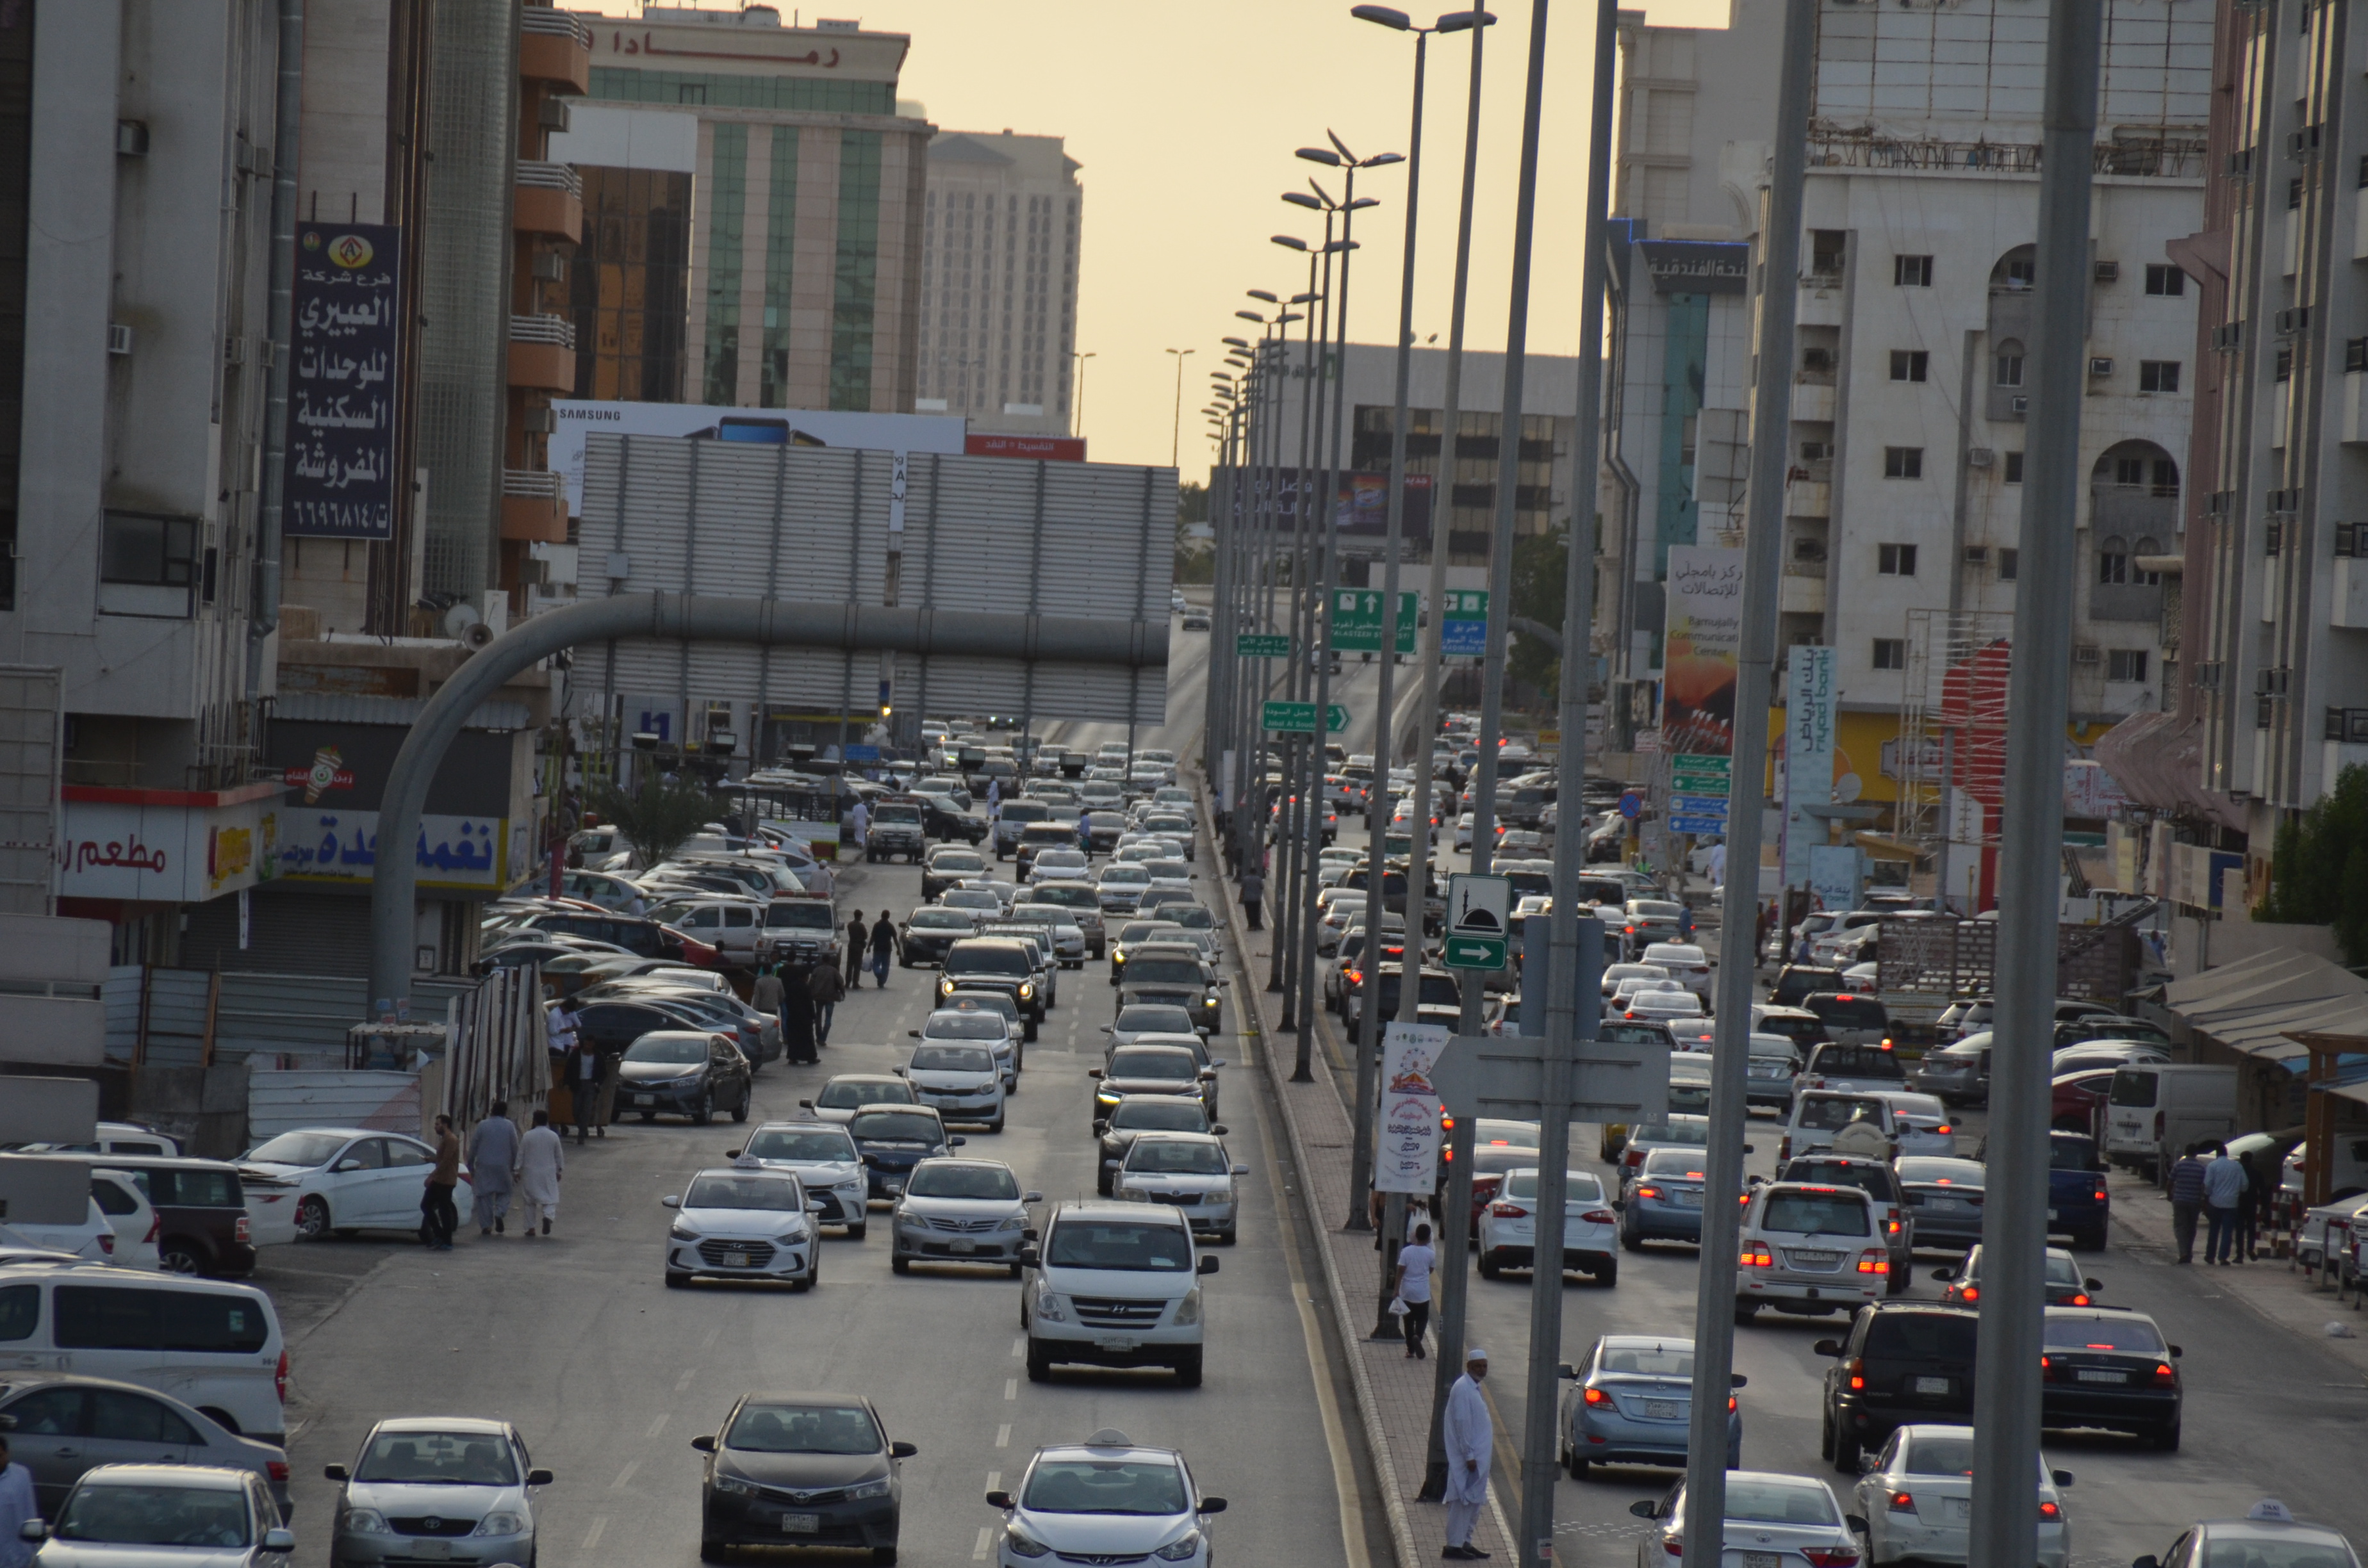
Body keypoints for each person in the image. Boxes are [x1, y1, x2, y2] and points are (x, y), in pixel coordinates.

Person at [1442, 1347, 1494, 1559]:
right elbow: (1462, 1424)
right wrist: (1469, 1455)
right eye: (1478, 1366)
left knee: (1474, 1503)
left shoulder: (1474, 1387)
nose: (1482, 1370)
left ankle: (1465, 1541)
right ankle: (1453, 1545)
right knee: (1463, 1503)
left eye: (1484, 1366)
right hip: (1468, 1460)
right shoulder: (1463, 1388)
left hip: (1478, 1460)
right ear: (1469, 1367)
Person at [467, 1102, 520, 1236]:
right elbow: (515, 1147)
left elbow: (473, 1146)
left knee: (483, 1195)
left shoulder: (482, 1125)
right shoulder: (509, 1126)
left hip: (484, 1165)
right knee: (506, 1191)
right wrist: (516, 1167)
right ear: (505, 1112)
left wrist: (470, 1163)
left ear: (492, 1111)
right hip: (504, 1166)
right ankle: (499, 1212)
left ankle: (486, 1226)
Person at [514, 1109, 565, 1237]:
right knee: (550, 1198)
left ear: (535, 1121)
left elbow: (521, 1154)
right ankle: (548, 1217)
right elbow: (559, 1156)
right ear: (547, 1121)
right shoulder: (553, 1136)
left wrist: (516, 1170)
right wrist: (559, 1170)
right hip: (548, 1172)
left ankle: (530, 1228)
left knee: (530, 1201)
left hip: (530, 1173)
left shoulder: (528, 1136)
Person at [1394, 1221, 1437, 1360]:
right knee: (1422, 1319)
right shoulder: (1430, 1254)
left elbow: (1400, 1271)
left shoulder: (1406, 1251)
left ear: (1415, 1236)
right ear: (1429, 1238)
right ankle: (1418, 1335)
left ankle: (1410, 1350)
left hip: (1407, 1292)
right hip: (1422, 1293)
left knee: (1408, 1321)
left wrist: (1396, 1290)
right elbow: (1431, 1270)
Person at [2203, 1139, 2248, 1264]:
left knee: (2214, 1230)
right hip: (2232, 1203)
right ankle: (2223, 1257)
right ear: (2227, 1153)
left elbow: (2207, 1185)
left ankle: (2210, 1256)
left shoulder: (2213, 1166)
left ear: (2217, 1154)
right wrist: (2237, 1191)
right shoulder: (2237, 1166)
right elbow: (2245, 1184)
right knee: (2227, 1231)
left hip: (2215, 1201)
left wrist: (2207, 1197)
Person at [421, 1113, 461, 1251]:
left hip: (446, 1181)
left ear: (445, 1125)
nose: (435, 1127)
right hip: (440, 1179)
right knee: (426, 1205)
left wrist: (432, 1176)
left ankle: (447, 1241)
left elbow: (446, 1161)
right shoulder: (444, 1139)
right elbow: (441, 1158)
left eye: (437, 1124)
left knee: (444, 1211)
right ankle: (439, 1234)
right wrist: (430, 1159)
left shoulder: (451, 1139)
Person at [2167, 1140, 2208, 1264]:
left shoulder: (2179, 1165)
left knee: (2180, 1227)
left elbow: (2170, 1181)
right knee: (2191, 1228)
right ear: (2196, 1154)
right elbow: (2204, 1187)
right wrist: (2203, 1201)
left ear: (2186, 1152)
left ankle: (2183, 1252)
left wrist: (2170, 1194)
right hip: (2194, 1201)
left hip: (2179, 1200)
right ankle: (2188, 1251)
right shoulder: (2201, 1168)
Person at [0, 1434, 37, 1568]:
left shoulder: (21, 1475)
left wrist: (32, 1544)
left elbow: (29, 1510)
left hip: (16, 1554)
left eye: (0, 1455)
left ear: (7, 1454)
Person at [565, 1039, 604, 1146]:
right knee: (576, 1110)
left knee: (587, 1111)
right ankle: (582, 1126)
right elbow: (569, 1069)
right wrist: (568, 1083)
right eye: (586, 1044)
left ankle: (581, 1135)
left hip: (590, 1085)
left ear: (593, 1045)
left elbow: (603, 1071)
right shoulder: (576, 1055)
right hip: (578, 1085)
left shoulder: (598, 1056)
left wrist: (597, 1083)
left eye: (590, 1045)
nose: (588, 1047)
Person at [782, 965, 819, 1065]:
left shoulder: (791, 987)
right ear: (805, 977)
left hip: (793, 1017)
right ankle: (810, 1057)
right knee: (807, 1038)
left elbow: (787, 1001)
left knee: (794, 1038)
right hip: (805, 1018)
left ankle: (793, 1058)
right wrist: (813, 1016)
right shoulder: (806, 988)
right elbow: (810, 1003)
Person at [807, 958, 846, 1045]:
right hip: (830, 997)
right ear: (830, 961)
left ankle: (818, 1036)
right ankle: (823, 1038)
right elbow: (841, 983)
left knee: (818, 1017)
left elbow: (811, 983)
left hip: (818, 997)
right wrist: (843, 993)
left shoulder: (816, 970)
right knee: (828, 1018)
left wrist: (810, 994)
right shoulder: (834, 971)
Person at [869, 911, 896, 988]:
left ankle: (879, 974)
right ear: (888, 916)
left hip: (877, 948)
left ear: (881, 916)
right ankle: (882, 980)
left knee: (876, 965)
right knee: (886, 966)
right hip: (887, 949)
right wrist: (898, 948)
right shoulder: (890, 926)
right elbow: (895, 938)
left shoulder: (877, 925)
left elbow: (873, 937)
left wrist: (869, 946)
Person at [845, 911, 869, 986]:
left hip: (851, 945)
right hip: (859, 947)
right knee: (857, 966)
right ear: (859, 916)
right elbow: (865, 936)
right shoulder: (861, 925)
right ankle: (855, 983)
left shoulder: (850, 925)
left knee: (849, 965)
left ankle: (848, 982)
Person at [1241, 867, 1265, 931]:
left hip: (1248, 899)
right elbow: (1262, 887)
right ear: (1255, 872)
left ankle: (1251, 925)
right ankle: (1256, 925)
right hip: (1257, 899)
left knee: (1249, 912)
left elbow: (1243, 887)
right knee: (1256, 912)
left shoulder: (1246, 879)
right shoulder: (1259, 879)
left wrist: (1241, 896)